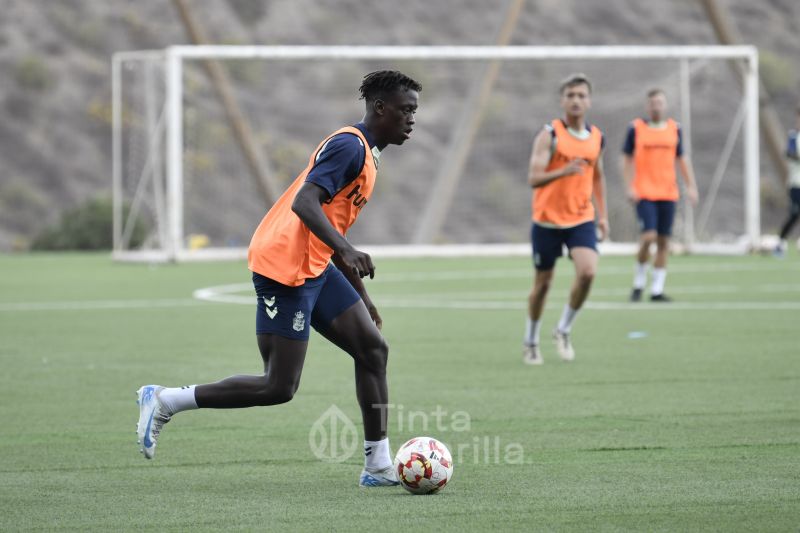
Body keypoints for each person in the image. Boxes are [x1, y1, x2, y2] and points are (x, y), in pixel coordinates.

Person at [136, 70, 421, 487]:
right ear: (381, 108)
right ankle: (165, 400)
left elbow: (332, 223)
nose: (412, 119)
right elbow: (306, 203)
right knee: (278, 386)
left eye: (415, 111)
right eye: (406, 110)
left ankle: (378, 466)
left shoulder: (369, 154)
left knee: (373, 350)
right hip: (283, 267)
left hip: (315, 264)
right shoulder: (349, 146)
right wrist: (345, 250)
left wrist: (362, 295)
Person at [522, 73, 608, 365]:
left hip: (581, 218)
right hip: (546, 221)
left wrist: (603, 216)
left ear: (589, 101)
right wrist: (563, 170)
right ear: (562, 101)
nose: (576, 100)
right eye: (570, 95)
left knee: (588, 272)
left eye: (581, 95)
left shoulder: (597, 137)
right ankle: (531, 340)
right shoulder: (550, 135)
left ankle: (564, 329)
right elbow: (533, 178)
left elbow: (598, 177)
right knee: (543, 285)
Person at [623, 89, 699, 302]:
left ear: (665, 105)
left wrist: (691, 186)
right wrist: (630, 186)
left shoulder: (675, 129)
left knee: (664, 242)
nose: (656, 106)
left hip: (668, 192)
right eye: (652, 103)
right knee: (648, 237)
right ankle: (639, 282)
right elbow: (626, 159)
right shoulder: (636, 128)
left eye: (659, 102)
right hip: (644, 192)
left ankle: (656, 289)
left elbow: (682, 159)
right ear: (648, 106)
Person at [774, 106, 800, 257]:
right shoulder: (793, 136)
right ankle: (780, 242)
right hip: (796, 183)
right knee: (794, 214)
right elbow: (789, 154)